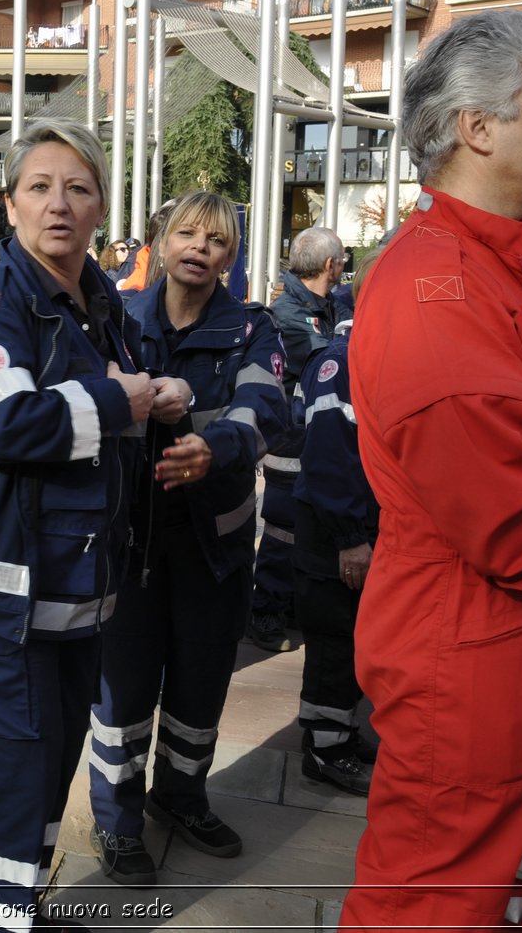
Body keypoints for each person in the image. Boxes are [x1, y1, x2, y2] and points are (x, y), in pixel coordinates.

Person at [341, 10, 522, 928]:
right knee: (433, 908)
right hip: (472, 675)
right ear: (478, 128)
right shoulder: (441, 289)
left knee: (521, 894)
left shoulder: (515, 263)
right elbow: (518, 521)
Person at [0, 120, 158, 931]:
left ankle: (17, 909)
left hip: (67, 592)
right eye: (41, 187)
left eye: (79, 188)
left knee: (50, 770)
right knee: (15, 784)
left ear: (100, 209)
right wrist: (123, 402)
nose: (60, 203)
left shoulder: (96, 303)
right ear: (9, 206)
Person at [89, 192, 289, 887]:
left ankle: (180, 796)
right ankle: (115, 821)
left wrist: (217, 443)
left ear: (230, 256)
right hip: (131, 543)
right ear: (162, 242)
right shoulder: (116, 315)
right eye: (187, 234)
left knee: (200, 686)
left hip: (213, 546)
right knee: (123, 693)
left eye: (216, 239)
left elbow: (266, 407)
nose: (200, 247)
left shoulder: (251, 329)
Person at [291, 254, 380, 797]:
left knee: (349, 641)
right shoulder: (343, 359)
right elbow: (329, 458)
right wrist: (351, 539)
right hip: (334, 532)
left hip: (350, 526)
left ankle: (338, 731)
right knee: (334, 642)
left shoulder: (361, 351)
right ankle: (326, 749)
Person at [249, 225, 346, 653]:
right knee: (283, 526)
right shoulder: (292, 314)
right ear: (331, 265)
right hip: (290, 436)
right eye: (342, 260)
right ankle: (265, 609)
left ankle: (284, 605)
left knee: (301, 524)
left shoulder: (321, 306)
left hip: (307, 433)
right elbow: (326, 359)